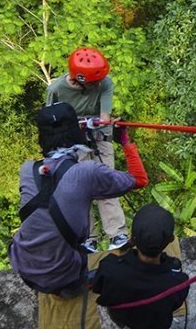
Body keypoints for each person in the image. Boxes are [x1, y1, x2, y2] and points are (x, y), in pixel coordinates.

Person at [8, 102, 148, 327]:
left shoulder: (27, 169)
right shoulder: (87, 172)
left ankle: (58, 285)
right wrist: (124, 140)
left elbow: (56, 179)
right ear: (75, 131)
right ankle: (71, 288)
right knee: (77, 270)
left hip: (23, 263)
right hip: (62, 273)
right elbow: (140, 180)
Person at [46, 47, 129, 251]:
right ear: (80, 79)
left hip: (100, 136)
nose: (99, 84)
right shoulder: (56, 89)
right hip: (72, 141)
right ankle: (87, 236)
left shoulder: (105, 82)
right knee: (80, 188)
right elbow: (49, 120)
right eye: (94, 82)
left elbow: (105, 117)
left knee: (106, 182)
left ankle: (117, 233)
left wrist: (100, 123)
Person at [92, 204, 190, 329]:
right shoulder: (178, 282)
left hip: (122, 320)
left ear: (132, 239)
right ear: (171, 240)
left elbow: (97, 287)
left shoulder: (110, 268)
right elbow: (175, 304)